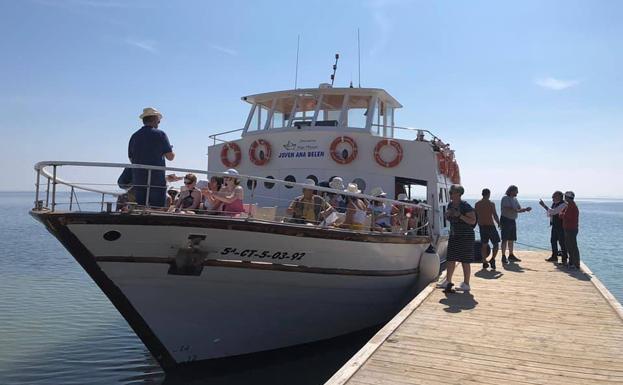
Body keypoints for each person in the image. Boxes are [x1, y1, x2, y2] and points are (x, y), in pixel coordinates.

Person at [128, 107, 175, 208]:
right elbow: (170, 157)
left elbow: (131, 159)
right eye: (158, 121)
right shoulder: (161, 134)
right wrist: (170, 149)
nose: (158, 123)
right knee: (157, 207)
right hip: (156, 178)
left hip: (139, 178)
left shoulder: (134, 136)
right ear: (154, 119)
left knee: (140, 206)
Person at [442, 184, 477, 293]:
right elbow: (450, 219)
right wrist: (447, 215)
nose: (450, 194)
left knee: (465, 260)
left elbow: (473, 220)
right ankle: (448, 281)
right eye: (450, 192)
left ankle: (466, 284)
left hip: (466, 236)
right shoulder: (450, 205)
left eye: (452, 192)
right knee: (450, 258)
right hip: (454, 235)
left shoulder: (465, 206)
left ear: (458, 194)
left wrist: (460, 215)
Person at [500, 185, 531, 264]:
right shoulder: (505, 198)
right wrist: (516, 210)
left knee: (511, 239)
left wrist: (525, 209)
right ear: (511, 191)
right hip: (505, 220)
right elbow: (506, 208)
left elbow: (518, 209)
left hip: (512, 220)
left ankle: (511, 255)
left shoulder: (515, 199)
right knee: (504, 239)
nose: (517, 192)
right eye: (516, 191)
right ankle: (503, 256)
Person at [474, 188, 500, 270]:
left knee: (484, 245)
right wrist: (499, 223)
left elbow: (476, 216)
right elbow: (495, 215)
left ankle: (484, 261)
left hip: (482, 226)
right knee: (496, 244)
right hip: (490, 226)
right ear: (488, 194)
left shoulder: (477, 204)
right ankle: (492, 259)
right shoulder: (491, 203)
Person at [539, 191, 567, 264]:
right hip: (554, 225)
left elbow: (554, 212)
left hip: (561, 226)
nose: (552, 198)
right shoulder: (554, 204)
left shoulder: (563, 204)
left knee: (562, 242)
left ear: (559, 197)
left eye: (554, 196)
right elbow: (550, 213)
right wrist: (549, 211)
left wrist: (544, 206)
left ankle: (564, 259)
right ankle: (554, 256)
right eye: (552, 196)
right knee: (553, 241)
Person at [560, 191, 580, 269]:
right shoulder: (569, 205)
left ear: (568, 198)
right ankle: (571, 263)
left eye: (565, 197)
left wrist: (561, 214)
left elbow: (567, 217)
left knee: (573, 246)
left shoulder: (572, 206)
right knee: (569, 246)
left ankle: (576, 264)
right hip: (568, 228)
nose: (564, 198)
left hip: (571, 229)